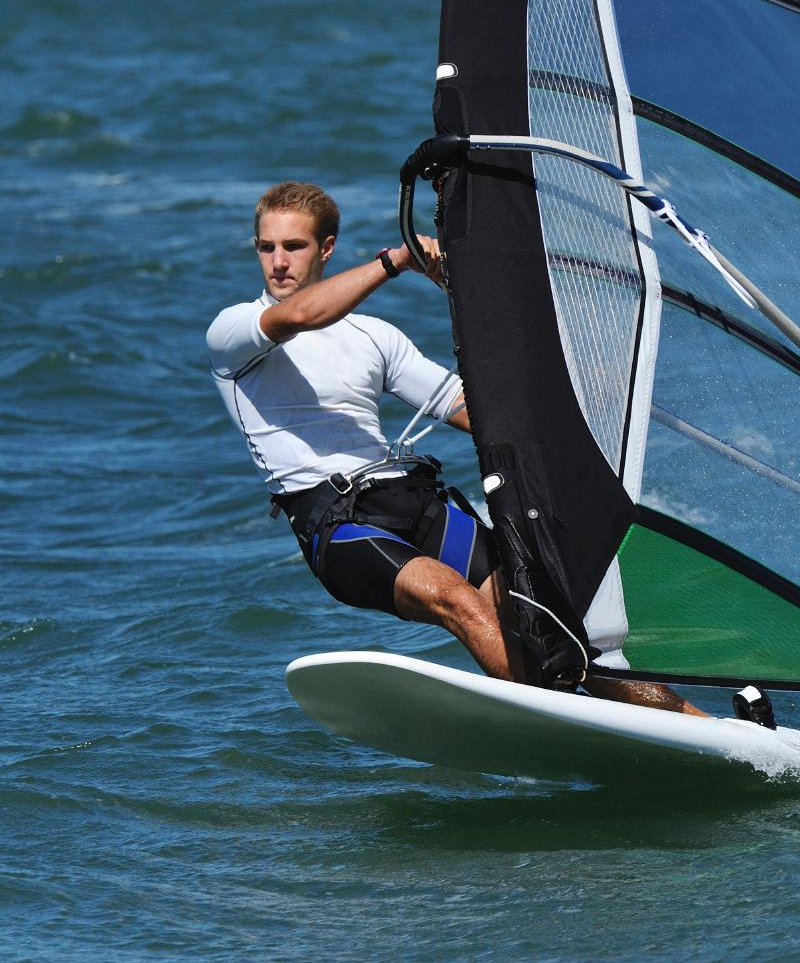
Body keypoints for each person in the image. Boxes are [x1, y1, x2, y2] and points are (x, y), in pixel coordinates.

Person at [207, 181, 705, 717]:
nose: (278, 262)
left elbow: (471, 410)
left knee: (554, 618)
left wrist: (582, 395)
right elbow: (299, 317)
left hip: (413, 501)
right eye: (267, 247)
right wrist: (399, 260)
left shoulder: (374, 336)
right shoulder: (233, 333)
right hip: (341, 525)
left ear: (326, 247)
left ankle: (697, 728)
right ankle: (567, 724)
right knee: (456, 598)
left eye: (294, 246)